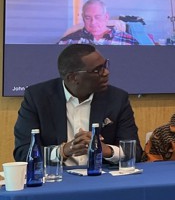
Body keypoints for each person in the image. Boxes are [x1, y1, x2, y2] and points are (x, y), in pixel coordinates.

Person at [13, 44, 143, 164]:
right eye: (98, 70)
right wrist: (64, 151)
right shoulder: (37, 98)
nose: (106, 72)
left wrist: (106, 150)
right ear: (73, 78)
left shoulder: (117, 98)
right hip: (57, 180)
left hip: (102, 180)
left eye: (105, 65)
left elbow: (135, 152)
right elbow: (23, 152)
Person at [57, 0, 140, 45]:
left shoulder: (128, 42)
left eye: (97, 17)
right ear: (83, 18)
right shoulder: (68, 41)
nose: (93, 22)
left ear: (106, 17)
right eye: (88, 17)